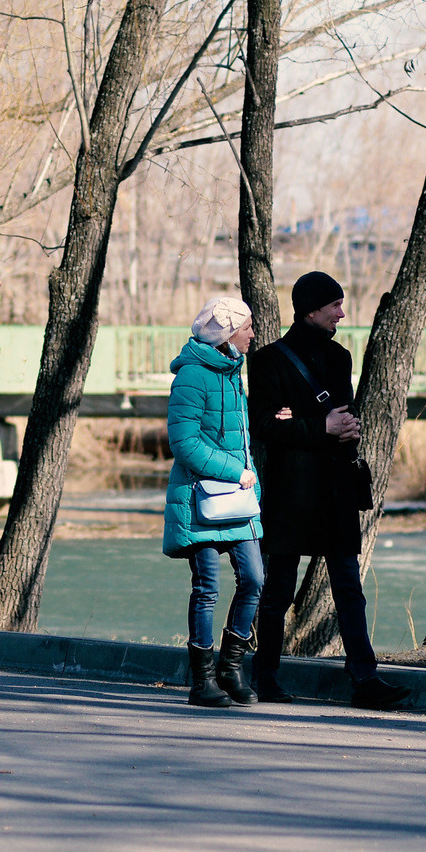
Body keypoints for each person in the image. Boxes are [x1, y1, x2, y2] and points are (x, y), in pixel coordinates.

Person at [247, 270, 405, 710]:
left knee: (349, 589)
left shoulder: (340, 357)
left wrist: (341, 427)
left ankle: (365, 679)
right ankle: (266, 677)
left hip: (335, 488)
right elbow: (262, 426)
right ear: (310, 309)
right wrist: (323, 426)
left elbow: (343, 414)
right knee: (277, 589)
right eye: (334, 304)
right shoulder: (268, 360)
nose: (341, 311)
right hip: (290, 491)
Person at [163, 296, 263, 708]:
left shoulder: (233, 370)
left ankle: (231, 669)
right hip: (200, 498)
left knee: (255, 580)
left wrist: (249, 482)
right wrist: (235, 472)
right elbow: (184, 444)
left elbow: (237, 438)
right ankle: (202, 681)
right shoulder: (191, 375)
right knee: (207, 588)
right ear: (227, 332)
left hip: (237, 500)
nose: (253, 334)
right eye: (248, 327)